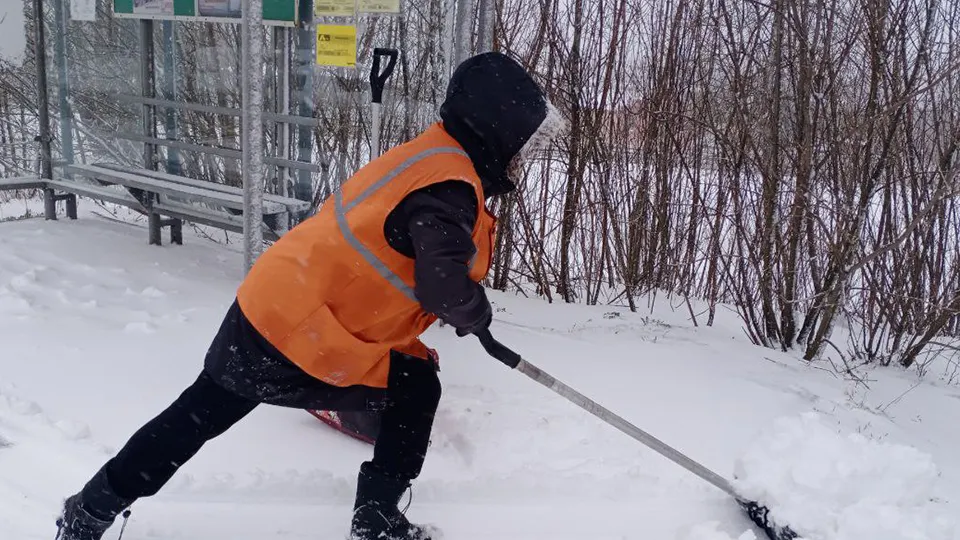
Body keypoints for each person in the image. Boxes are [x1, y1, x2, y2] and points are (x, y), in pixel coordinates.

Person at [55, 51, 565, 540]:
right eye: (520, 139)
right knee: (204, 415)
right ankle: (91, 511)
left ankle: (91, 510)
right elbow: (443, 284)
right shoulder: (450, 184)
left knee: (211, 413)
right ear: (498, 128)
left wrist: (461, 307)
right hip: (299, 326)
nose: (521, 154)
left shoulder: (434, 156)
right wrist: (477, 315)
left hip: (295, 304)